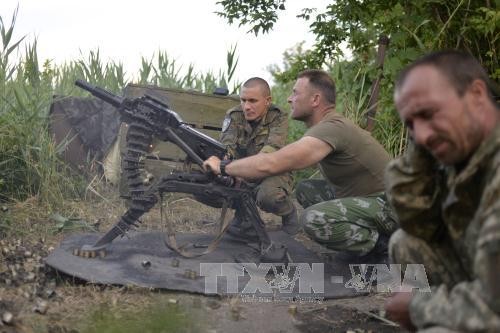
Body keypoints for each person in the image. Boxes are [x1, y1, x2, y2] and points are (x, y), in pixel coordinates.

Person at [204, 69, 397, 257]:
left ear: (315, 100)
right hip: (375, 198)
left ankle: (386, 247)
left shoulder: (331, 128)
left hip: (395, 206)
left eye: (295, 93)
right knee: (307, 189)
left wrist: (223, 167)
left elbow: (271, 163)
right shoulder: (327, 125)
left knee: (313, 219)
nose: (289, 99)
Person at [384, 50, 500, 332]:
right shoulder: (465, 156)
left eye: (428, 113)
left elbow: (494, 306)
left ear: (476, 94)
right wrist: (426, 140)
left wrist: (417, 306)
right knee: (406, 242)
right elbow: (418, 222)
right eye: (411, 125)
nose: (421, 135)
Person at [218, 77, 299, 238]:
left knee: (268, 197)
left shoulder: (278, 116)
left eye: (253, 101)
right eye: (243, 100)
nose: (247, 106)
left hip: (274, 170)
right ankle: (244, 216)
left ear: (267, 101)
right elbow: (227, 148)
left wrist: (243, 170)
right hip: (242, 170)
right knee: (214, 184)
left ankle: (289, 212)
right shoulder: (234, 115)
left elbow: (271, 150)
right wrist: (230, 166)